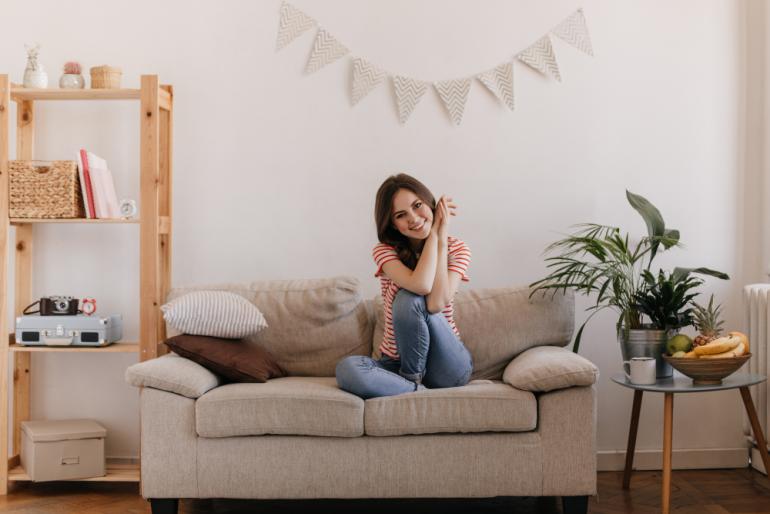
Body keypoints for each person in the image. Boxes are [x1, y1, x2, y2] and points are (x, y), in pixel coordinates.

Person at [335, 173, 473, 399]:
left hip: (447, 363)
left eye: (417, 205)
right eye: (401, 215)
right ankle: (416, 390)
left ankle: (409, 382)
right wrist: (434, 235)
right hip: (394, 363)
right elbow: (420, 283)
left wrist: (440, 236)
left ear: (430, 202)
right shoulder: (385, 251)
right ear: (393, 225)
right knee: (346, 369)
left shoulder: (458, 249)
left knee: (409, 300)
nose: (414, 218)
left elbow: (436, 303)